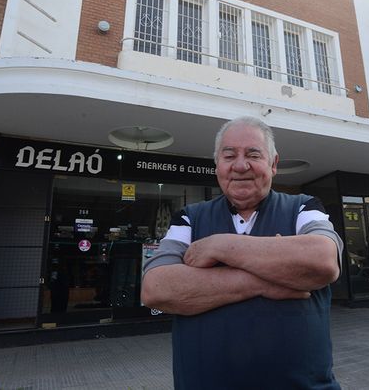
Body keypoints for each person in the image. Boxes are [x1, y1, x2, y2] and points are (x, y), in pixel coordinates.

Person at [142, 116, 343, 389]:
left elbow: (322, 260)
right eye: (229, 156)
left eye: (253, 154)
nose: (240, 165)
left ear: (273, 164)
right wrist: (267, 279)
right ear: (218, 166)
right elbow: (155, 288)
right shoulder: (188, 218)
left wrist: (221, 246)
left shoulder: (304, 207)